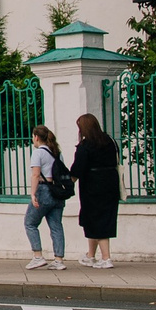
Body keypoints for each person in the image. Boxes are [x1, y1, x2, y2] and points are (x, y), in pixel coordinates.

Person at [70, 112, 122, 268]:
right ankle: (90, 255)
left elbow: (77, 169)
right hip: (111, 186)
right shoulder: (110, 141)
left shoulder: (85, 146)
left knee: (96, 220)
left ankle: (106, 258)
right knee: (99, 219)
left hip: (92, 187)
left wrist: (66, 181)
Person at [24, 124, 67, 271]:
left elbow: (36, 174)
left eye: (33, 137)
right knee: (56, 226)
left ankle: (38, 256)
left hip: (43, 189)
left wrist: (33, 194)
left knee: (30, 223)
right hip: (57, 192)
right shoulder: (57, 152)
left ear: (36, 137)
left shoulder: (38, 153)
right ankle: (59, 259)